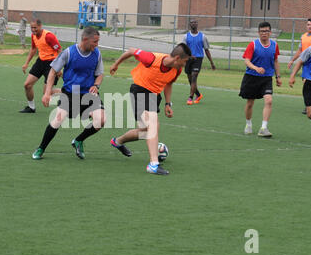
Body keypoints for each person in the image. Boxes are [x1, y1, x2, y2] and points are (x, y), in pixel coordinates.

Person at [109, 43, 191, 175]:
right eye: (185, 61)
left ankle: (117, 141)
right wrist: (116, 64)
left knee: (148, 131)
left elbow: (168, 83)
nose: (185, 65)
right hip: (139, 90)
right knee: (152, 125)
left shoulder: (177, 70)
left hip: (154, 96)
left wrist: (168, 104)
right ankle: (153, 164)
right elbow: (131, 50)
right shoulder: (151, 58)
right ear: (177, 58)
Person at [32, 27, 106, 159]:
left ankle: (79, 140)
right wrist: (47, 93)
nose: (97, 44)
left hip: (89, 95)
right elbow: (53, 71)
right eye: (95, 41)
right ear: (85, 39)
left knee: (101, 120)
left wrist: (96, 85)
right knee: (57, 120)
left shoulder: (97, 54)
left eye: (98, 41)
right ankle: (41, 148)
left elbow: (100, 74)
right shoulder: (69, 52)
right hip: (70, 94)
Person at [240, 22, 282, 138]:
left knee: (269, 100)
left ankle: (264, 128)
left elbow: (275, 61)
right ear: (258, 33)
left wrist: (278, 76)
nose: (264, 33)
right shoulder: (253, 45)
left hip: (267, 78)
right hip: (252, 77)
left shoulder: (274, 45)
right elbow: (247, 61)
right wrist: (256, 68)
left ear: (270, 32)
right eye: (262, 31)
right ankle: (248, 124)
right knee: (250, 103)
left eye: (266, 31)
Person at [20, 19, 62, 113]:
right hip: (40, 62)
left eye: (35, 27)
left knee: (47, 93)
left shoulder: (49, 36)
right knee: (27, 85)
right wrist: (26, 63)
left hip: (52, 64)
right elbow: (33, 49)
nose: (33, 30)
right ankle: (31, 108)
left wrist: (58, 67)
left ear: (40, 26)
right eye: (31, 28)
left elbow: (59, 51)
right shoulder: (33, 36)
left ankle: (67, 93)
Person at [287, 18, 311, 115]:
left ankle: (310, 105)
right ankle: (310, 105)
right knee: (307, 84)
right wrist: (292, 60)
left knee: (310, 83)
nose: (309, 26)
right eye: (308, 24)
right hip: (305, 64)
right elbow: (300, 50)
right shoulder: (303, 36)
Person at [182, 19, 216, 105]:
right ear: (190, 24)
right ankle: (198, 94)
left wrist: (211, 62)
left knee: (194, 76)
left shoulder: (203, 36)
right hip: (189, 60)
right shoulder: (186, 36)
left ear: (197, 24)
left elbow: (206, 50)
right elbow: (183, 49)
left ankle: (190, 98)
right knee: (190, 79)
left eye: (195, 22)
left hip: (198, 59)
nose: (194, 24)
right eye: (192, 22)